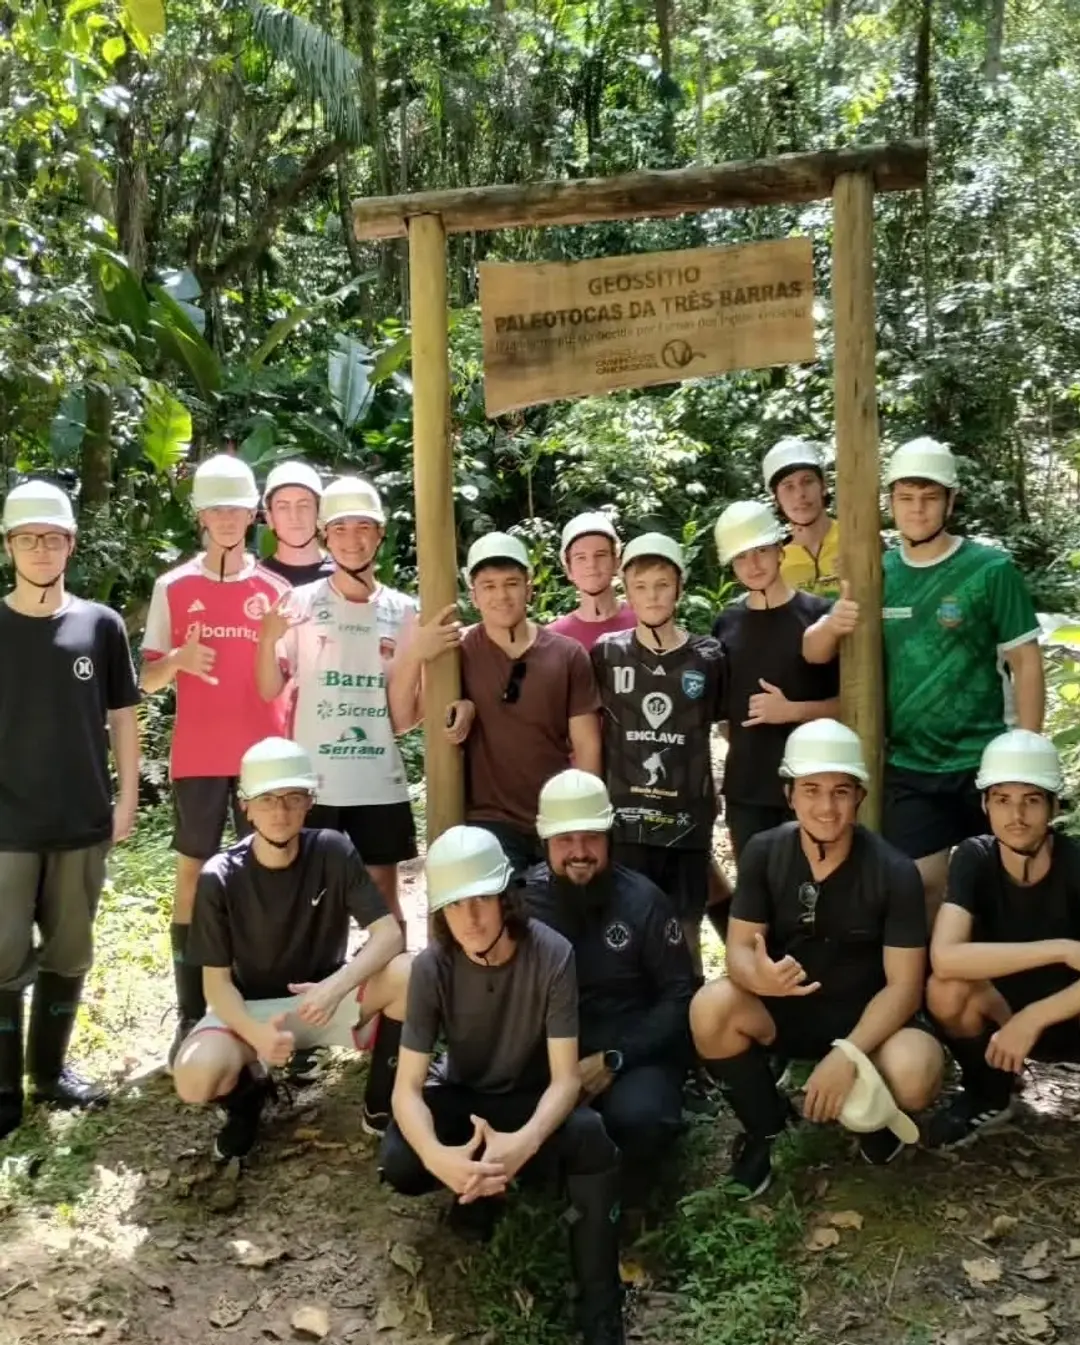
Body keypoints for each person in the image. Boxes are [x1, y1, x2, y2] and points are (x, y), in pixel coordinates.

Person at [379, 825, 624, 1345]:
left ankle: (601, 1308)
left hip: (528, 1097)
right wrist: (437, 1157)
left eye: (482, 900)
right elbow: (406, 1089)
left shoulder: (552, 953)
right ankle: (475, 1190)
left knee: (592, 1139)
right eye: (455, 904)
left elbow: (565, 1080)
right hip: (464, 1096)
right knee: (401, 1159)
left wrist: (524, 1143)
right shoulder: (432, 966)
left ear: (505, 898)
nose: (470, 918)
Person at [690, 720, 943, 1196]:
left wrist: (849, 1053)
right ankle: (766, 1127)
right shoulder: (766, 852)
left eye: (840, 791)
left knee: (916, 1071)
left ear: (859, 796)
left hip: (867, 1018)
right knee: (711, 1007)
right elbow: (739, 948)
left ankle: (873, 1115)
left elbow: (905, 987)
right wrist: (759, 978)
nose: (826, 807)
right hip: (789, 1010)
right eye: (812, 790)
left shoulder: (894, 872)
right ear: (789, 794)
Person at [804, 437, 1044, 918]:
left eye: (930, 497)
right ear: (891, 503)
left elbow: (1026, 662)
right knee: (920, 887)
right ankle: (936, 969)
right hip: (912, 766)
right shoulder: (878, 573)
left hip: (986, 760)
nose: (917, 509)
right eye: (906, 497)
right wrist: (835, 621)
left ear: (950, 502)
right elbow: (813, 651)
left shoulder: (990, 570)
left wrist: (1027, 755)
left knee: (1006, 885)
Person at [174, 737, 410, 1158]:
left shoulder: (332, 850)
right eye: (266, 799)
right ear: (245, 806)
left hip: (324, 1000)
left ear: (309, 802)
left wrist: (336, 986)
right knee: (194, 1076)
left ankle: (382, 1106)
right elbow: (216, 985)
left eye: (292, 798)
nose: (280, 812)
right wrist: (256, 1036)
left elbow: (388, 934)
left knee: (410, 973)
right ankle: (248, 1100)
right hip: (252, 1011)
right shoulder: (219, 876)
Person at [0, 481, 140, 1138]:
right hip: (7, 826)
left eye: (52, 537)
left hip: (82, 819)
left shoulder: (100, 625)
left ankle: (49, 1074)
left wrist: (128, 795)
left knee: (69, 950)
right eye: (28, 538)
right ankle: (4, 1088)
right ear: (9, 546)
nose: (40, 549)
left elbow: (123, 715)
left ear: (71, 545)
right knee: (2, 957)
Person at [141, 454, 291, 1065]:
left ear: (253, 514)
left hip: (264, 762)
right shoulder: (173, 587)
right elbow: (147, 680)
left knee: (263, 879)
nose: (227, 519)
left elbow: (283, 681)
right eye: (215, 510)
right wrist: (178, 660)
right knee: (192, 878)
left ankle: (263, 1006)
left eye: (237, 509)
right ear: (200, 516)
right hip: (199, 756)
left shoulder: (276, 591)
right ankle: (189, 1013)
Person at [257, 477, 445, 927]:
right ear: (325, 536)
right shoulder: (299, 602)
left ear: (380, 534)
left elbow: (404, 717)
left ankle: (392, 975)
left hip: (377, 778)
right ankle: (320, 975)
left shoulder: (404, 611)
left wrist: (416, 659)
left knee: (382, 893)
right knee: (314, 897)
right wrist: (266, 640)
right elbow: (268, 689)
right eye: (339, 529)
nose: (352, 540)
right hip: (315, 781)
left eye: (363, 527)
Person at [523, 769, 695, 1202]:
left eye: (592, 838)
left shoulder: (645, 902)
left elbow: (679, 996)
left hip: (629, 1056)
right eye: (566, 840)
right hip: (549, 1056)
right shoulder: (519, 904)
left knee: (643, 1119)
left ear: (610, 837)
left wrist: (616, 1058)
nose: (580, 852)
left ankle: (631, 1199)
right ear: (544, 841)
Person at [927, 731, 1080, 1147]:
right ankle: (989, 1093)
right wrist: (1061, 950)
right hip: (1002, 1015)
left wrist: (1036, 1017)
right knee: (946, 990)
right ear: (985, 805)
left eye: (1031, 800)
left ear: (1053, 805)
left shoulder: (1074, 863)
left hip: (1068, 1015)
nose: (1017, 815)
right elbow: (945, 957)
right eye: (1002, 800)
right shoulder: (974, 857)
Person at [590, 532, 726, 965]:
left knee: (685, 933)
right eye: (641, 586)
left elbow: (726, 729)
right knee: (626, 933)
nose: (652, 596)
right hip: (626, 823)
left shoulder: (709, 656)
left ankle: (691, 1006)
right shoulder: (607, 654)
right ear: (627, 592)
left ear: (679, 588)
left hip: (686, 822)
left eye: (662, 584)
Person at [444, 532, 601, 873]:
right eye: (488, 586)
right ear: (474, 596)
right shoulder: (458, 653)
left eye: (511, 584)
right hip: (491, 820)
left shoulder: (567, 654)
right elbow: (422, 713)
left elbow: (587, 744)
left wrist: (584, 819)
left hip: (555, 816)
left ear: (529, 589)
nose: (501, 595)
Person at [712, 501, 840, 862]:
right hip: (748, 791)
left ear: (780, 550)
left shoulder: (819, 618)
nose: (753, 565)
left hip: (815, 789)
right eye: (741, 557)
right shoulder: (725, 624)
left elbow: (855, 706)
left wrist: (793, 711)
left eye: (761, 551)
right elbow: (724, 717)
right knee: (755, 890)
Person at [762, 437, 840, 597]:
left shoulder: (857, 540)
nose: (800, 494)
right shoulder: (776, 566)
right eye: (788, 487)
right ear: (776, 498)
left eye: (807, 481)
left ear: (823, 486)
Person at [549, 512, 636, 651]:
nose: (591, 564)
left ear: (616, 563)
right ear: (568, 570)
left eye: (600, 555)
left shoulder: (644, 621)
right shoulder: (553, 639)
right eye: (581, 557)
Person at [260, 460, 334, 586]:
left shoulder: (344, 577)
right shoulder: (255, 581)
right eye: (283, 507)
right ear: (269, 518)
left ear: (319, 513)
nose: (294, 516)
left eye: (304, 506)